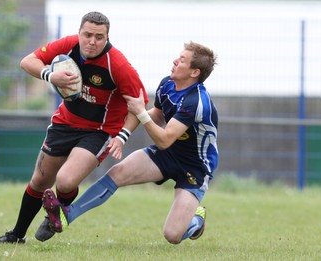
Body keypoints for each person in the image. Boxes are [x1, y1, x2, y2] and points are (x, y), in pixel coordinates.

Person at [41, 41, 218, 244]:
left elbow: (164, 139)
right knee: (117, 173)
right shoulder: (167, 84)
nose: (175, 61)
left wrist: (140, 113)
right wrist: (122, 128)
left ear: (194, 72)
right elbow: (157, 116)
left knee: (172, 236)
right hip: (168, 155)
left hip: (195, 167)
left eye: (182, 60)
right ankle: (66, 216)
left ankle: (196, 219)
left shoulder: (196, 102)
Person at [0, 11, 148, 243]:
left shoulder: (117, 64)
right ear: (79, 33)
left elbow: (140, 103)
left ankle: (56, 216)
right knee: (39, 181)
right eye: (87, 35)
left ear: (107, 37)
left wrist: (122, 136)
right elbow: (27, 61)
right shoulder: (68, 45)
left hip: (99, 132)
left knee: (65, 181)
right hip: (65, 123)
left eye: (99, 37)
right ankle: (16, 235)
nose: (92, 41)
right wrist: (50, 75)